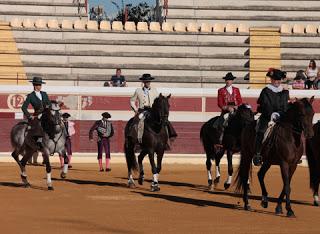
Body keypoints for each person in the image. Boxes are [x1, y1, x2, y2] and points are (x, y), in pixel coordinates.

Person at [253, 68, 289, 166]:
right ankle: (257, 154)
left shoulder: (285, 91)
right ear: (271, 80)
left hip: (281, 117)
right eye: (275, 79)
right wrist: (272, 114)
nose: (277, 81)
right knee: (261, 131)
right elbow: (265, 104)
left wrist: (280, 114)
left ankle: (291, 154)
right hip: (267, 116)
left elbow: (285, 106)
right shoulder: (266, 91)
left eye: (279, 79)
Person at [21, 76, 51, 150]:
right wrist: (29, 116)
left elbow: (49, 104)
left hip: (46, 114)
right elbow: (23, 107)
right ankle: (39, 141)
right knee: (38, 125)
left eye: (40, 84)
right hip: (37, 115)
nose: (40, 86)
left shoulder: (44, 94)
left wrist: (47, 107)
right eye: (38, 84)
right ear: (34, 85)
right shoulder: (30, 96)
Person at [213, 72, 243, 145]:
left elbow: (240, 101)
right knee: (221, 124)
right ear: (225, 81)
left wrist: (237, 106)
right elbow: (220, 103)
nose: (228, 81)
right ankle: (220, 140)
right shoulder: (221, 90)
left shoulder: (236, 90)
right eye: (227, 80)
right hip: (226, 111)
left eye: (230, 80)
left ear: (232, 81)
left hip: (235, 111)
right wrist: (227, 108)